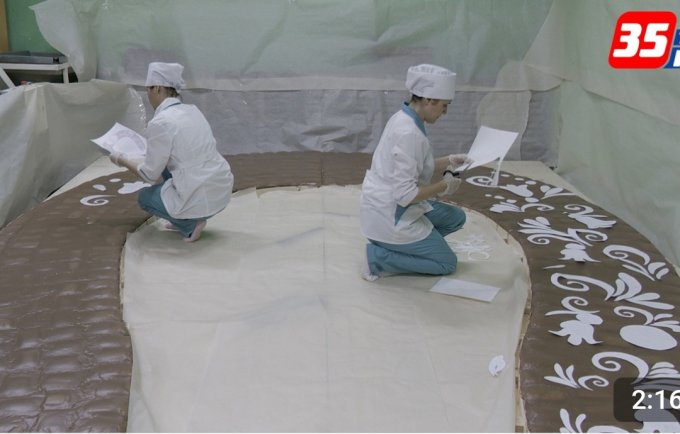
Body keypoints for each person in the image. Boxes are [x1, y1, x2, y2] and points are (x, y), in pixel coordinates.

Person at [359, 63, 470, 281]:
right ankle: (377, 258)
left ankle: (413, 249)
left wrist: (449, 160)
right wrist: (445, 185)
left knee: (456, 218)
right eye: (444, 106)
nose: (445, 112)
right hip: (391, 214)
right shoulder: (409, 133)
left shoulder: (403, 117)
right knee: (446, 263)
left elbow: (414, 166)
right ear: (429, 100)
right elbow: (405, 195)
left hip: (383, 204)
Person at [110, 62, 234, 242]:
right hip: (221, 188)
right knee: (168, 166)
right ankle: (187, 216)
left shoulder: (160, 122)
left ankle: (189, 225)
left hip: (199, 192)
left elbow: (149, 174)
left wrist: (121, 159)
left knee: (144, 198)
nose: (148, 96)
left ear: (158, 89)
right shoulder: (192, 110)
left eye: (149, 90)